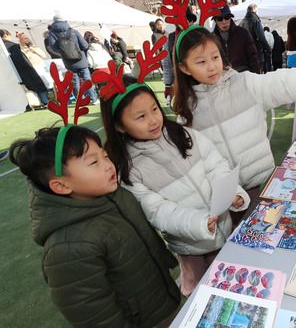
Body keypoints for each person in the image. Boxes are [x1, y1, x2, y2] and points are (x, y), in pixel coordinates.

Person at [9, 126, 181, 327]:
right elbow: (95, 316)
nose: (108, 165)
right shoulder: (67, 248)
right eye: (93, 162)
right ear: (62, 186)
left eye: (105, 156)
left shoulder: (119, 196)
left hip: (163, 301)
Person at [100, 76, 250, 296]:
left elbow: (216, 166)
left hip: (224, 228)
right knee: (202, 295)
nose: (153, 120)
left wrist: (232, 193)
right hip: (191, 247)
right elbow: (159, 212)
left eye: (154, 109)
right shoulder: (130, 171)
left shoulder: (184, 134)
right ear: (119, 126)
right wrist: (198, 223)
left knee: (236, 282)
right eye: (141, 116)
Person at [172, 27, 296, 194]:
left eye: (215, 57)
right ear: (185, 68)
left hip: (266, 183)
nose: (212, 66)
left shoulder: (245, 84)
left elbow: (285, 83)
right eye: (201, 62)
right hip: (229, 197)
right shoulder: (186, 112)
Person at [47, 14, 98, 103]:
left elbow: (53, 48)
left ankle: (80, 101)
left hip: (68, 61)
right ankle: (93, 99)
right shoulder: (73, 31)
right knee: (87, 80)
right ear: (64, 20)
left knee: (75, 82)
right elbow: (85, 45)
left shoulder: (52, 34)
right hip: (81, 59)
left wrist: (63, 51)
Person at [1, 29, 49, 107]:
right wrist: (29, 67)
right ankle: (45, 102)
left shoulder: (2, 48)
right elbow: (21, 60)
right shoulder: (12, 45)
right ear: (6, 35)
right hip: (24, 70)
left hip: (11, 73)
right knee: (37, 85)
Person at [164, 7, 198, 105]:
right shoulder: (171, 38)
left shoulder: (199, 34)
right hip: (180, 81)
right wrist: (167, 85)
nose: (185, 21)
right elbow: (167, 63)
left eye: (187, 18)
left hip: (199, 79)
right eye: (180, 19)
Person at [212, 5, 260, 73]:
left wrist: (256, 77)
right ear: (215, 21)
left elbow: (253, 57)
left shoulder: (243, 33)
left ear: (230, 18)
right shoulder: (211, 39)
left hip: (243, 76)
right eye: (219, 18)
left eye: (227, 17)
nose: (224, 21)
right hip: (223, 78)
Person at [239, 4, 271, 73]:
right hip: (256, 54)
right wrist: (268, 49)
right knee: (257, 77)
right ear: (255, 11)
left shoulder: (241, 22)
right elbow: (261, 37)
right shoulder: (255, 20)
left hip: (245, 55)